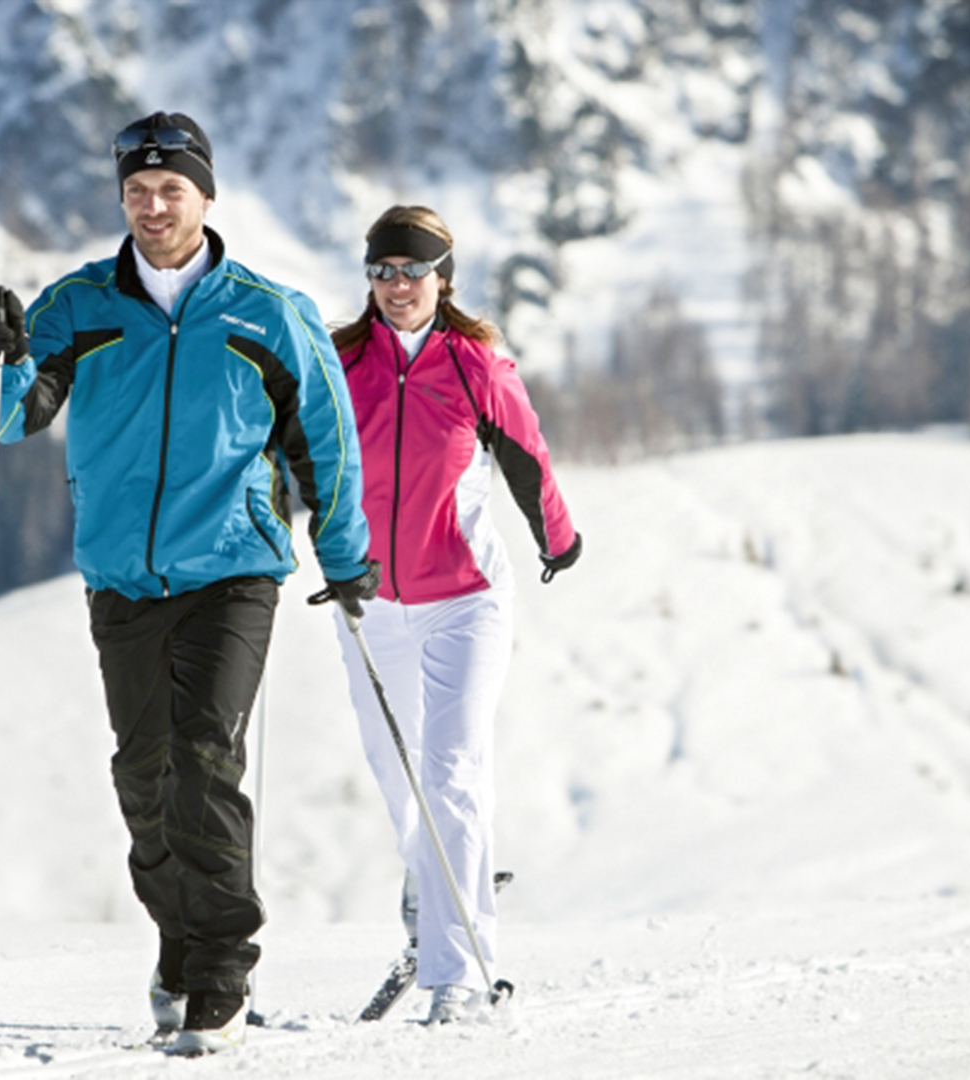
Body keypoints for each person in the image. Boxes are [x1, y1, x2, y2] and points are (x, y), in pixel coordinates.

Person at [0, 111, 378, 1055]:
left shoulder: (268, 313)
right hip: (122, 575)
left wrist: (345, 555)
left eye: (172, 189)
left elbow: (325, 441)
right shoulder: (78, 306)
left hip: (234, 570)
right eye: (138, 191)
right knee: (143, 776)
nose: (154, 206)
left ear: (206, 196)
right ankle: (178, 940)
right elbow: (8, 420)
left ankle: (223, 966)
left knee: (203, 756)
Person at [327, 205, 581, 1025]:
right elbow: (296, 450)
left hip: (466, 601)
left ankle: (461, 974)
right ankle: (430, 889)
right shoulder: (341, 363)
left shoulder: (477, 367)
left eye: (414, 271)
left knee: (453, 774)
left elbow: (527, 456)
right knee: (399, 776)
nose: (397, 285)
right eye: (383, 271)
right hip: (371, 606)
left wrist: (558, 537)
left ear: (444, 278)